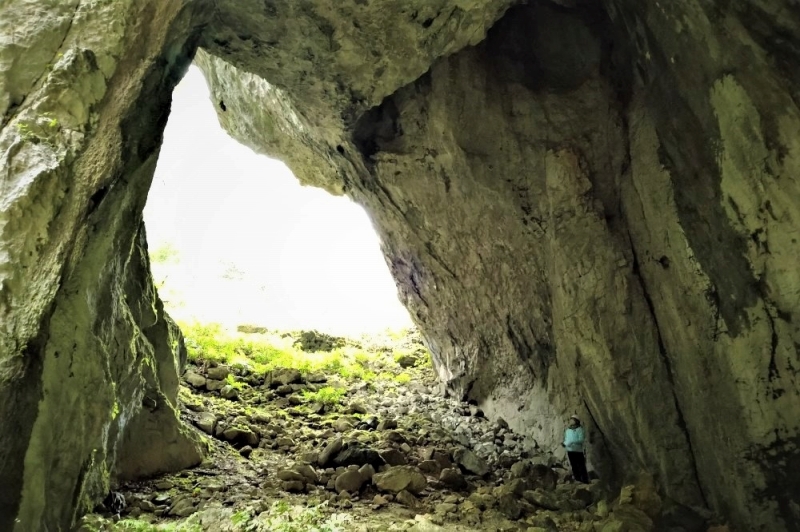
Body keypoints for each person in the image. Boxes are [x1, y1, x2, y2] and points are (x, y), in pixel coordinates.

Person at [563, 415, 589, 483]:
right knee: (574, 466)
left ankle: (585, 480)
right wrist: (564, 443)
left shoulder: (580, 429)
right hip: (570, 451)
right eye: (570, 419)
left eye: (572, 419)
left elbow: (581, 440)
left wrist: (572, 441)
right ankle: (578, 480)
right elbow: (567, 439)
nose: (571, 421)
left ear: (576, 421)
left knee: (581, 466)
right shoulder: (568, 430)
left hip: (578, 451)